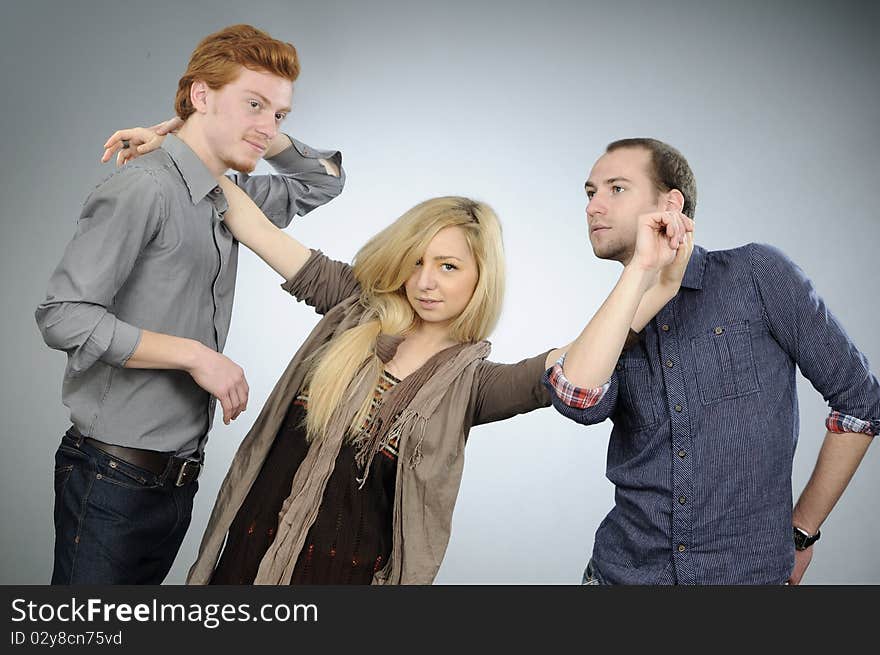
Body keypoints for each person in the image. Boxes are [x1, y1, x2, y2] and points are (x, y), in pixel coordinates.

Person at [177, 170, 693, 584]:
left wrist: (648, 274)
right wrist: (186, 150)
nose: (425, 282)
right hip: (248, 562)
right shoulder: (352, 307)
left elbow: (577, 372)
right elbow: (254, 227)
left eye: (448, 267)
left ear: (479, 278)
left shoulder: (475, 384)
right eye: (417, 261)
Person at [35, 24, 344, 584]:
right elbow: (63, 315)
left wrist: (247, 128)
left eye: (280, 115)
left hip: (174, 482)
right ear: (202, 94)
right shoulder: (144, 188)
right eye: (254, 103)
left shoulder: (231, 197)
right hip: (112, 475)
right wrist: (196, 356)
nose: (269, 126)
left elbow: (323, 180)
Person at [544, 137, 879, 585]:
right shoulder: (611, 321)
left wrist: (801, 533)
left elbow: (860, 403)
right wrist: (643, 273)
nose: (592, 207)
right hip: (620, 578)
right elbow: (577, 400)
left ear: (670, 203)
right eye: (590, 193)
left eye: (615, 189)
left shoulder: (757, 274)